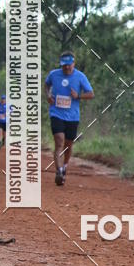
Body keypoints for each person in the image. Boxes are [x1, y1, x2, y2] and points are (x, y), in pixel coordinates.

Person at [44, 51, 94, 186]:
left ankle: (64, 166)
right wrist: (48, 95)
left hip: (72, 116)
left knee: (68, 145)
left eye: (69, 65)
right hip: (56, 113)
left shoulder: (80, 77)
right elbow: (46, 84)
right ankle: (59, 171)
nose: (66, 68)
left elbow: (91, 94)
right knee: (59, 142)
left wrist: (78, 96)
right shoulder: (54, 74)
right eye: (64, 65)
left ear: (74, 63)